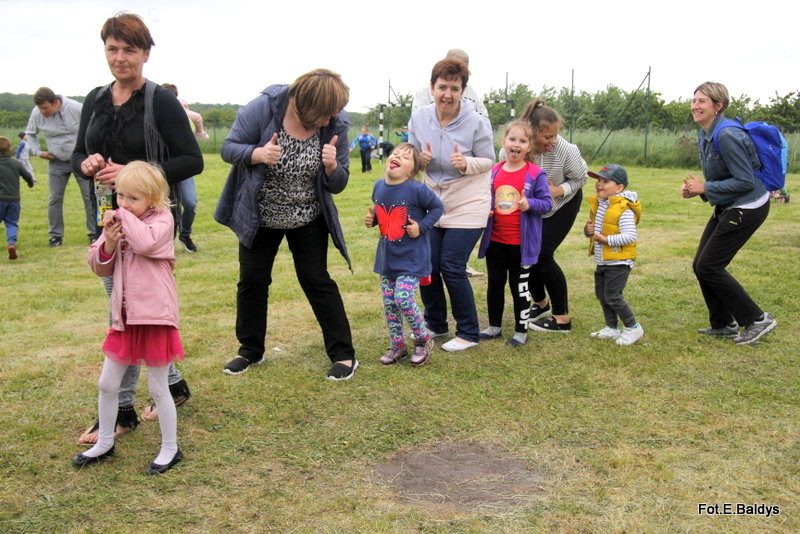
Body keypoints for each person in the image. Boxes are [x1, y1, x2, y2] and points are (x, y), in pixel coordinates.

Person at [71, 12, 202, 443]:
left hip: (148, 226)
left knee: (125, 315)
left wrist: (135, 173)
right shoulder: (95, 99)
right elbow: (78, 155)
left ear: (146, 53)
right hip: (108, 221)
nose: (120, 58)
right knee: (126, 311)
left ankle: (122, 410)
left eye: (129, 50)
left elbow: (191, 160)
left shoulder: (159, 101)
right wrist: (87, 163)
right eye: (112, 49)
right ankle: (174, 385)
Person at [215, 68, 358, 380]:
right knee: (252, 281)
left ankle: (343, 354)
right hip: (260, 214)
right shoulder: (263, 109)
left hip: (309, 214)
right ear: (309, 104)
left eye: (333, 115)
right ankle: (250, 350)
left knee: (316, 279)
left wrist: (332, 167)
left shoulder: (336, 122)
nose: (329, 121)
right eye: (325, 115)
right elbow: (229, 148)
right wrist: (258, 153)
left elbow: (339, 183)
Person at [72, 162, 184, 475]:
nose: (123, 203)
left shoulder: (161, 220)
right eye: (120, 196)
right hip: (124, 318)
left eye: (133, 198)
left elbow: (146, 243)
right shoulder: (121, 221)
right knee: (107, 383)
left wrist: (122, 216)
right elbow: (98, 265)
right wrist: (108, 241)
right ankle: (105, 441)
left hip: (155, 317)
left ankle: (170, 448)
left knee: (159, 387)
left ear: (154, 198)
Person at [408, 57, 495, 352]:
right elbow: (410, 156)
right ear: (432, 88)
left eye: (454, 88)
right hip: (433, 202)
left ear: (463, 91)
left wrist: (466, 163)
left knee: (452, 266)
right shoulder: (419, 118)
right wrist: (420, 160)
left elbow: (489, 159)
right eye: (442, 87)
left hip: (468, 201)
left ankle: (468, 332)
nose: (447, 94)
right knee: (428, 265)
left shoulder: (477, 121)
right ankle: (435, 323)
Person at [682, 81, 777, 345]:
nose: (695, 106)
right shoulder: (705, 133)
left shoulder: (726, 135)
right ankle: (723, 324)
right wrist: (699, 190)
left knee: (709, 265)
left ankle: (757, 319)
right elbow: (722, 176)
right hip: (728, 205)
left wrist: (706, 187)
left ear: (718, 105)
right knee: (701, 265)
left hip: (748, 205)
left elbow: (745, 181)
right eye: (694, 100)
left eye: (702, 101)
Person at [503, 99, 587, 334]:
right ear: (531, 135)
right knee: (525, 253)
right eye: (547, 137)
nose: (553, 141)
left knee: (542, 255)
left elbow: (580, 178)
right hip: (530, 206)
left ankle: (562, 320)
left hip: (562, 204)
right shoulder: (514, 148)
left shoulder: (566, 150)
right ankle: (541, 305)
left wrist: (558, 190)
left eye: (555, 136)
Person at [365, 143, 443, 366]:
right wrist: (374, 220)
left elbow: (437, 208)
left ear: (413, 170)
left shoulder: (417, 189)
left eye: (405, 157)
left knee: (403, 298)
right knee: (390, 303)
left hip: (412, 258)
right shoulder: (378, 186)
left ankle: (423, 339)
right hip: (387, 258)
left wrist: (421, 226)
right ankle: (397, 345)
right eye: (395, 153)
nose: (397, 156)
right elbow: (384, 214)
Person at [477, 121, 552, 346]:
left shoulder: (535, 174)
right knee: (495, 284)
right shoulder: (494, 171)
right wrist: (485, 210)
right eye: (512, 139)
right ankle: (494, 326)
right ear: (504, 142)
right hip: (495, 242)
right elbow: (484, 198)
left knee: (519, 287)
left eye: (522, 141)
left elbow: (547, 203)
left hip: (521, 245)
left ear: (529, 147)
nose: (516, 144)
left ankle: (521, 330)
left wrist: (529, 204)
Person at [584, 164, 644, 346]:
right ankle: (611, 327)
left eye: (605, 181)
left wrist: (606, 239)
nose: (599, 184)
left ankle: (633, 327)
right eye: (598, 180)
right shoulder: (601, 204)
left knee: (613, 296)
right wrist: (588, 231)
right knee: (602, 295)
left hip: (619, 262)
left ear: (619, 188)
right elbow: (595, 230)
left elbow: (630, 236)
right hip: (604, 261)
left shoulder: (624, 210)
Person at [25, 87, 93, 247]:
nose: (42, 112)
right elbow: (30, 133)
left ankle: (94, 233)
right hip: (56, 161)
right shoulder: (37, 113)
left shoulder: (76, 108)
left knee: (89, 197)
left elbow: (93, 126)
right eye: (40, 108)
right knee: (54, 198)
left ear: (56, 102)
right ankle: (55, 236)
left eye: (45, 108)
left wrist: (90, 152)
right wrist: (38, 152)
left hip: (80, 160)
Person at [162, 83, 210, 253]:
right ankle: (163, 242)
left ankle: (185, 234)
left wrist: (200, 132)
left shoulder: (183, 115)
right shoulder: (153, 115)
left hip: (183, 167)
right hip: (161, 169)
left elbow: (196, 117)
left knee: (189, 203)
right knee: (165, 206)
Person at [411, 49, 488, 118]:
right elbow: (419, 122)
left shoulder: (471, 91)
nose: (448, 95)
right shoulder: (424, 92)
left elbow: (484, 117)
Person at [0, 136, 35, 260]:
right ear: (10, 149)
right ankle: (11, 243)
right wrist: (30, 184)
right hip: (14, 200)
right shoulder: (16, 163)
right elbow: (28, 176)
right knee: (11, 223)